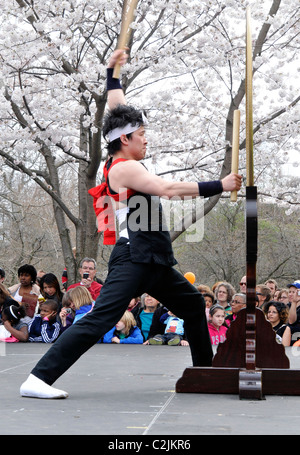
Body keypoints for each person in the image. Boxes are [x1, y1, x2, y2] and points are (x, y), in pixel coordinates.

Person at [20, 49, 242, 399]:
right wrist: (220, 185)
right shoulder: (123, 168)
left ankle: (204, 374)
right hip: (133, 256)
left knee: (192, 307)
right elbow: (168, 189)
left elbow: (116, 111)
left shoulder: (121, 151)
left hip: (152, 258)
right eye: (141, 134)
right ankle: (37, 379)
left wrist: (112, 73)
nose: (146, 138)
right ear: (125, 139)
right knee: (100, 318)